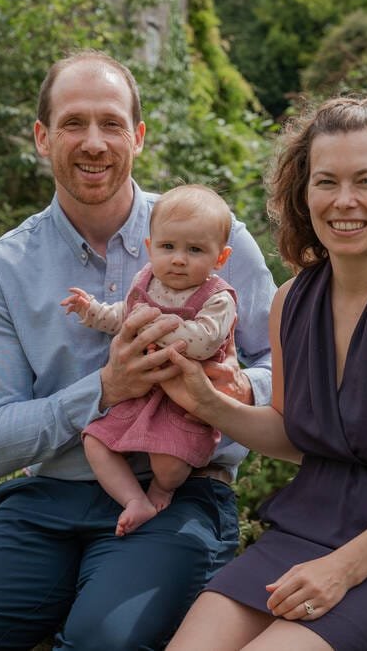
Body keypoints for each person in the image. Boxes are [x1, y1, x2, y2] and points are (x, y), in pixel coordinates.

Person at [0, 50, 276, 650]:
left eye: (111, 123)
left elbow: (287, 371)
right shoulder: (2, 268)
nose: (94, 142)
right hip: (45, 504)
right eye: (74, 123)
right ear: (43, 138)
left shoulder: (214, 239)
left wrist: (228, 390)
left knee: (104, 643)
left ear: (139, 137)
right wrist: (103, 391)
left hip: (178, 496)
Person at [160, 95, 367, 651]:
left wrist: (341, 570)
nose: (344, 201)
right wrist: (207, 403)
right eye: (326, 182)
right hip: (308, 530)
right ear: (303, 193)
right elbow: (296, 435)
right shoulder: (290, 302)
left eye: (366, 181)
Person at [61, 184, 238, 536]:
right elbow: (122, 316)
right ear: (149, 248)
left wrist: (150, 326)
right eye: (168, 247)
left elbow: (202, 342)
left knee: (169, 464)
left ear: (220, 258)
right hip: (138, 394)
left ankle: (161, 489)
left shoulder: (218, 298)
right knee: (95, 441)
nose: (178, 258)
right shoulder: (147, 281)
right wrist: (92, 311)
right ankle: (133, 500)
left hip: (184, 401)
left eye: (195, 250)